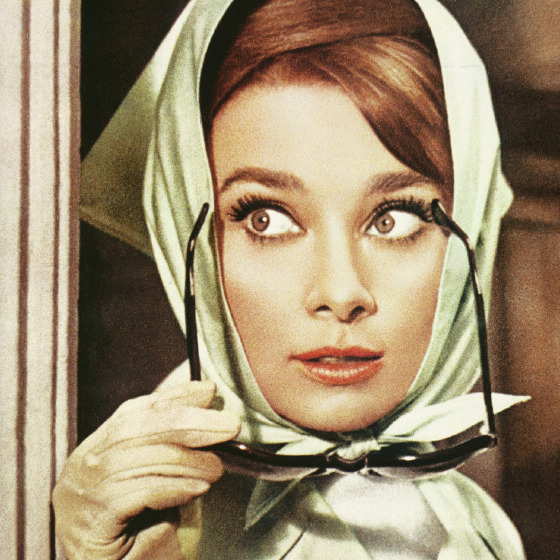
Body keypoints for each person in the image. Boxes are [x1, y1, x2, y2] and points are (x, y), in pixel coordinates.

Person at [53, 0, 528, 558]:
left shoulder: (481, 529)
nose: (341, 294)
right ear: (184, 224)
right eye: (266, 219)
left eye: (393, 219)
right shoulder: (132, 525)